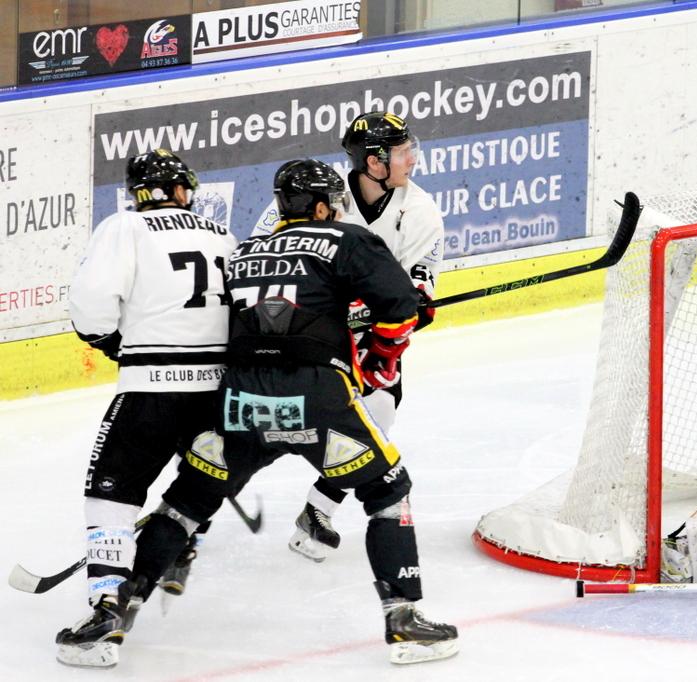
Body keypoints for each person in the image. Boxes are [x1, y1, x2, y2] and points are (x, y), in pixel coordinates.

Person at [62, 158, 458, 667]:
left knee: (187, 501)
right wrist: (380, 354)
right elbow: (401, 309)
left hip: (240, 401)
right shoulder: (346, 239)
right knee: (388, 491)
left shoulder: (246, 251)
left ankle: (120, 608)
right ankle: (404, 620)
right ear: (322, 207)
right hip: (315, 400)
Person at [56, 149, 236, 668]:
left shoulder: (125, 228)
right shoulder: (222, 234)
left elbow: (91, 307)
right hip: (217, 393)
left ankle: (106, 608)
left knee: (110, 491)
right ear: (181, 189)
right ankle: (180, 543)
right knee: (197, 479)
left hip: (151, 389)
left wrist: (113, 342)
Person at [288, 111, 445, 562]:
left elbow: (414, 297)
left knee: (378, 413)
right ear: (374, 162)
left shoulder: (421, 212)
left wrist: (408, 307)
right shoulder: (318, 196)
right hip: (304, 330)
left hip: (369, 338)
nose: (412, 159)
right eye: (402, 152)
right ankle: (188, 517)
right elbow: (275, 258)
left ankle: (317, 510)